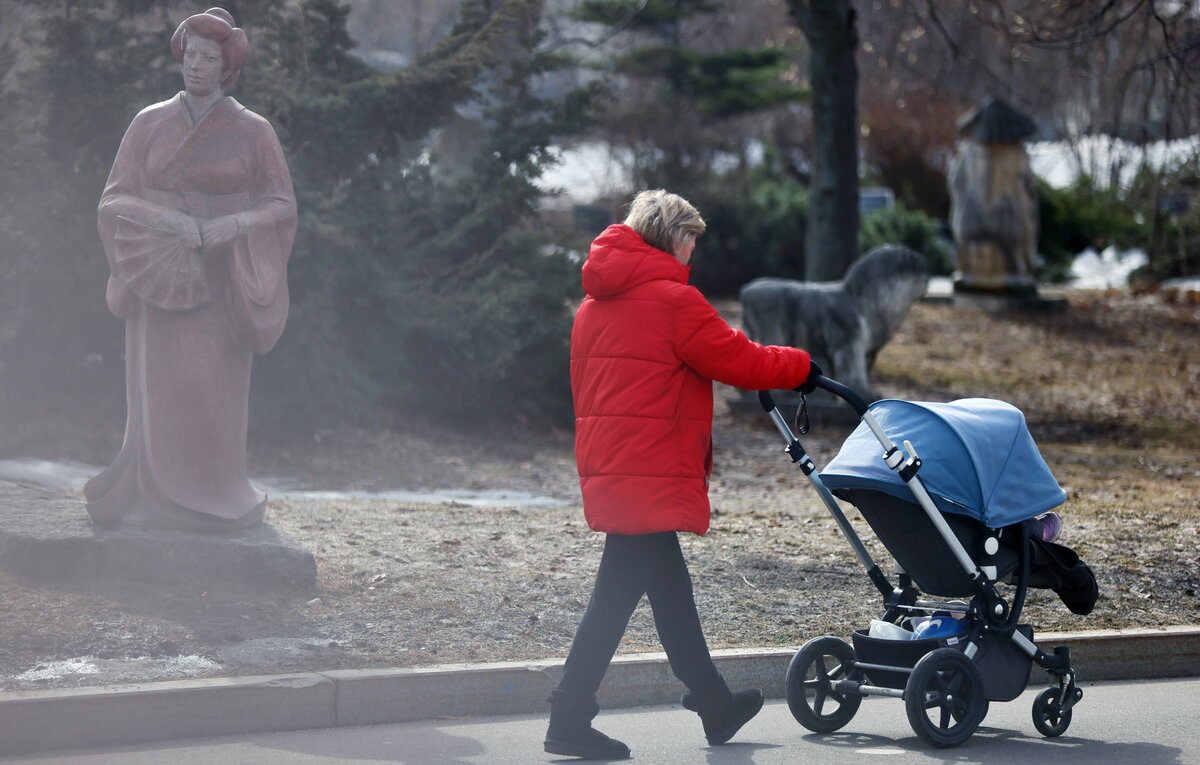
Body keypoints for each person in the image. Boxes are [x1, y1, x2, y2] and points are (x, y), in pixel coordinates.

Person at [545, 190, 816, 759]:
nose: (694, 248)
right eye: (690, 236)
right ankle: (569, 717)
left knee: (661, 588)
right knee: (620, 594)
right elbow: (739, 359)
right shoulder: (673, 301)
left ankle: (712, 703)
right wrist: (802, 366)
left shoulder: (592, 306)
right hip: (652, 464)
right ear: (671, 236)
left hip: (613, 461)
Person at [84, 8, 296, 531]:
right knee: (155, 391)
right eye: (192, 55)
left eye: (210, 58)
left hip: (222, 277)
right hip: (158, 274)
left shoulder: (253, 131)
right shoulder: (149, 121)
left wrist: (237, 224)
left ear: (227, 67)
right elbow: (114, 199)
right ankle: (146, 493)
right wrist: (163, 218)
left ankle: (215, 492)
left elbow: (281, 205)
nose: (197, 66)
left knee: (210, 388)